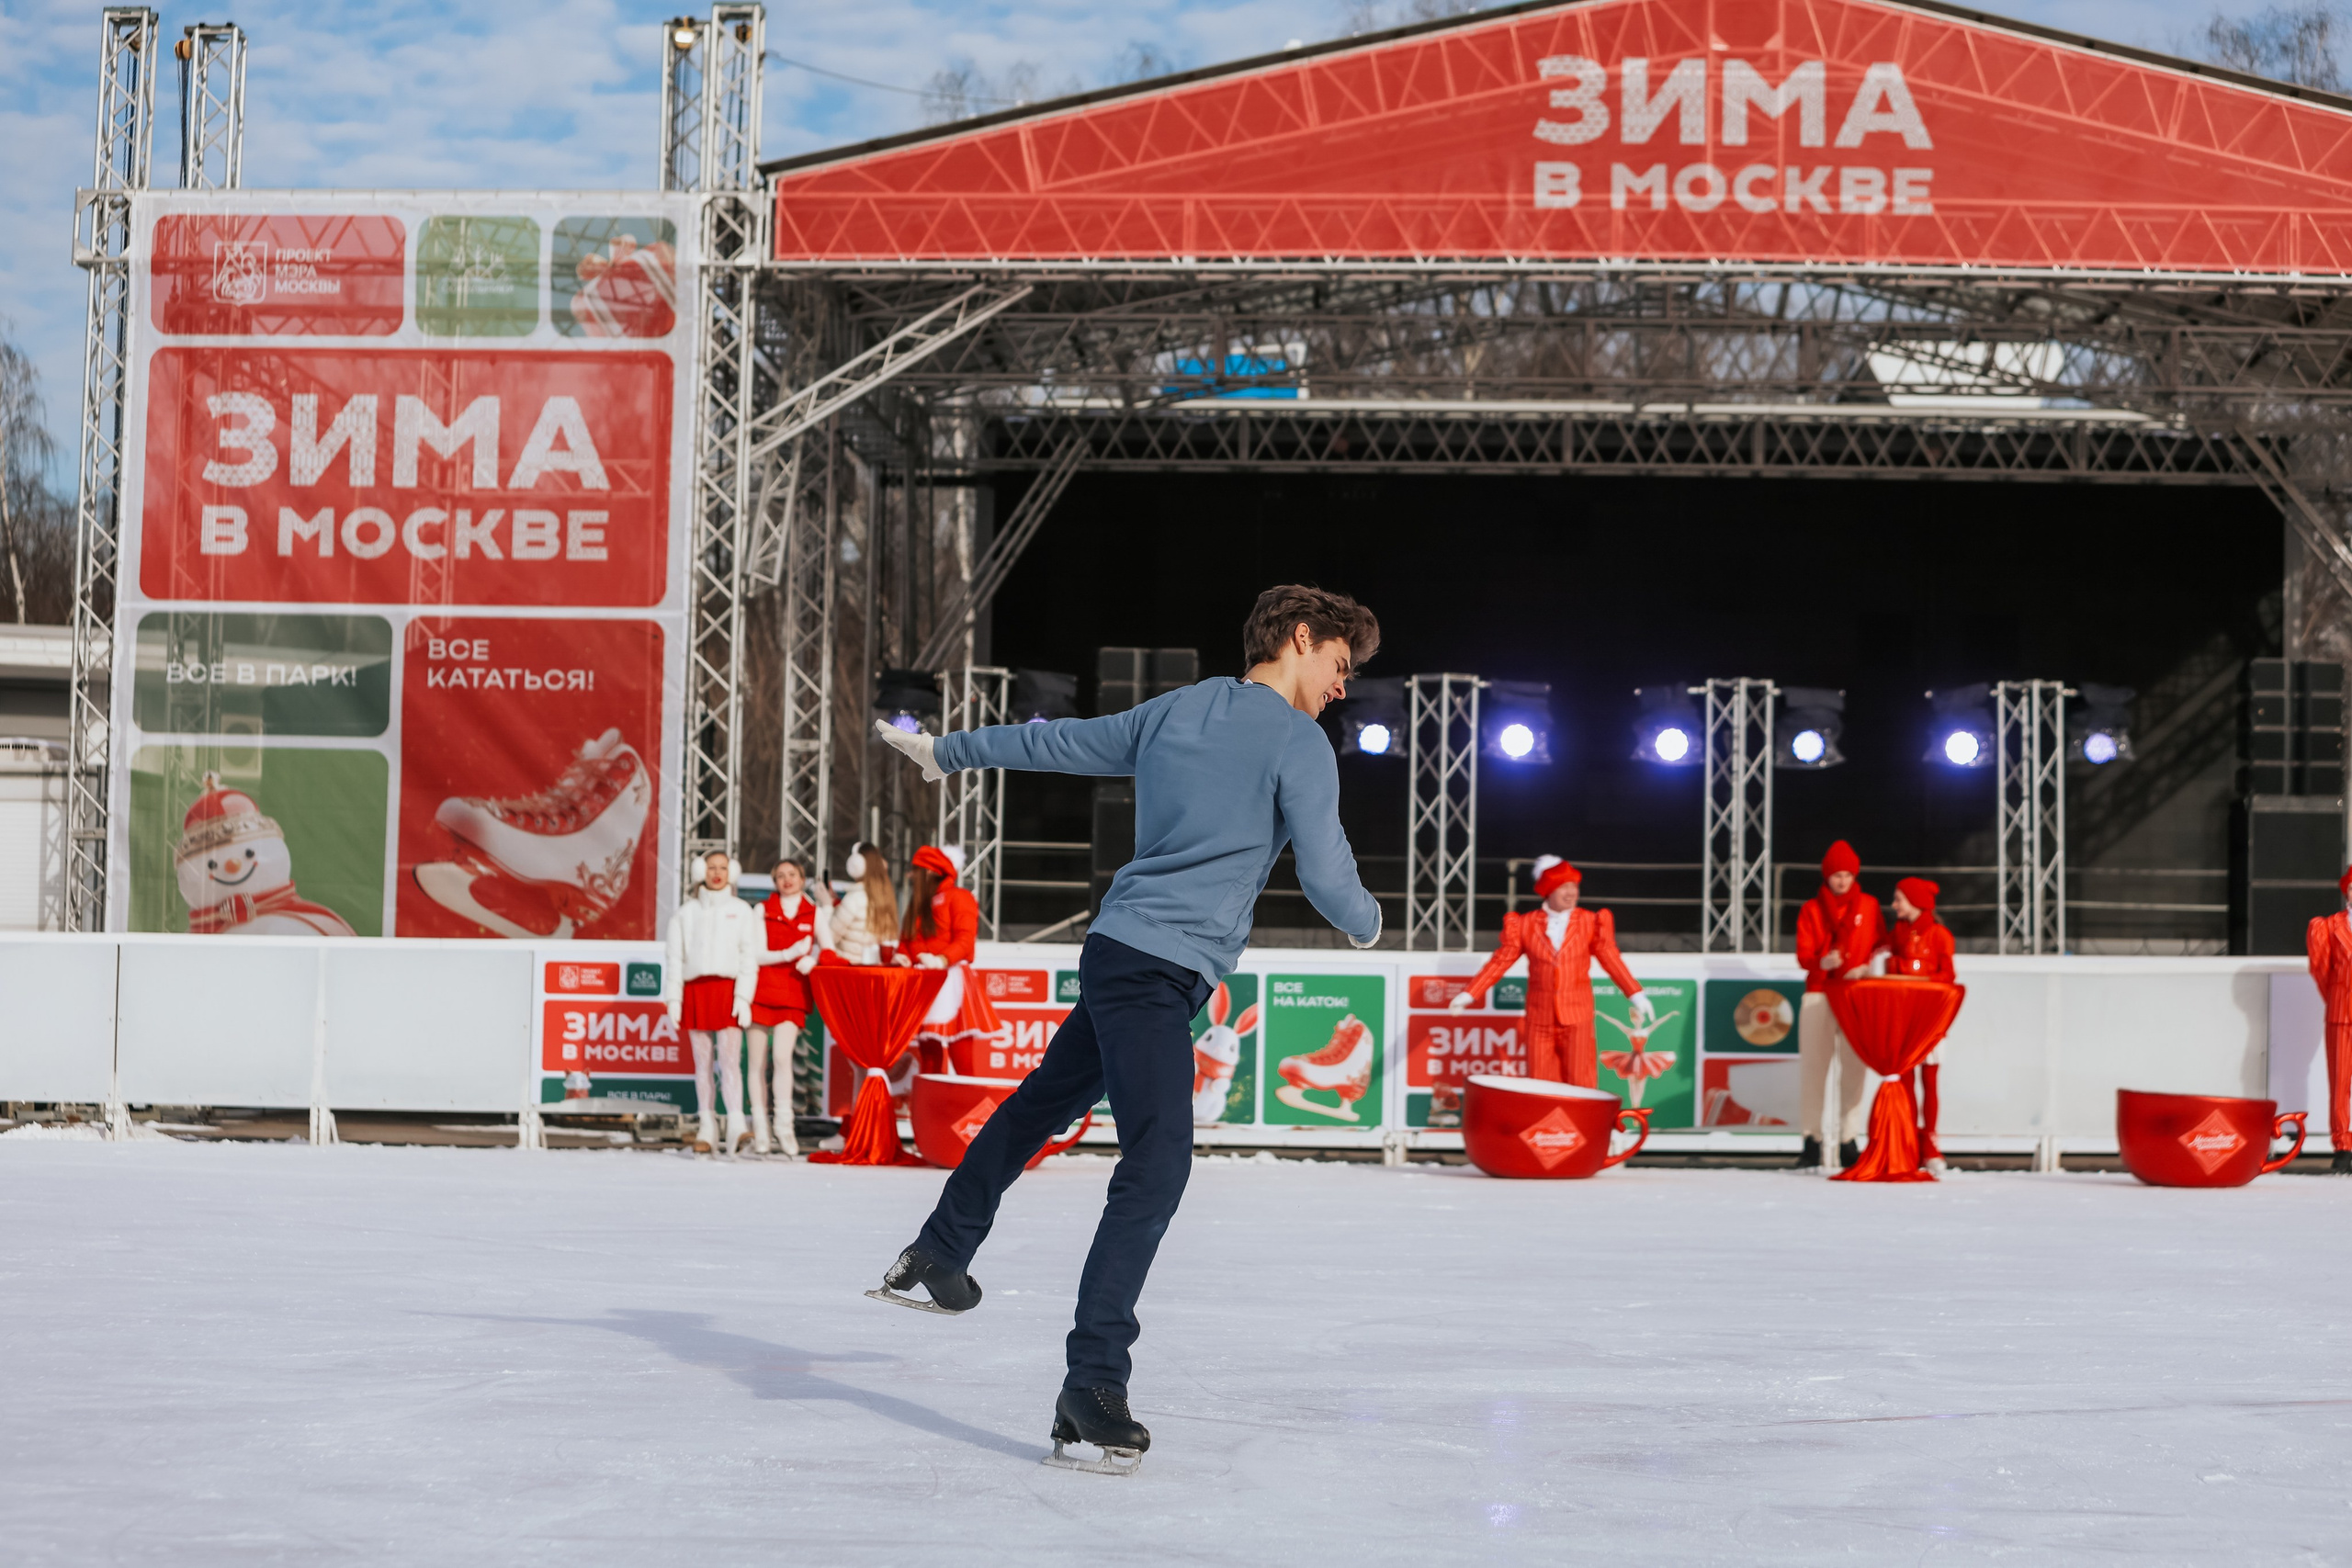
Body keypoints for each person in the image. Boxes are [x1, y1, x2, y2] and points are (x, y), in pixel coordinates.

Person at [865, 583, 1384, 1475]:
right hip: (1155, 973)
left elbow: (1054, 743)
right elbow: (1330, 875)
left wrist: (945, 753)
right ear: (1301, 639)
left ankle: (939, 1251)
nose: (1343, 687)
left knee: (1040, 1104)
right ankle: (1092, 1381)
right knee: (1157, 1164)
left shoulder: (1175, 710)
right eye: (1341, 666)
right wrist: (1371, 922)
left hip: (1115, 953)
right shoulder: (1298, 741)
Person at [1446, 856, 1655, 1085]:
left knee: (1581, 1081)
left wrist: (1636, 994)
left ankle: (1581, 1122)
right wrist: (1470, 993)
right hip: (1539, 1019)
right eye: (1563, 887)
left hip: (1577, 1017)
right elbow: (1500, 961)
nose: (1571, 893)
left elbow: (1611, 959)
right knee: (1542, 1083)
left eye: (1574, 886)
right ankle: (1546, 1122)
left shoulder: (1590, 922)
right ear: (1548, 891)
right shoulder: (1525, 924)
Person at [1793, 840, 1883, 1170]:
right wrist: (1822, 962)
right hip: (1819, 991)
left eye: (1847, 874)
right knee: (1814, 1070)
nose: (1842, 881)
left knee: (1854, 1069)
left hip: (1854, 994)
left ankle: (1848, 1138)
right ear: (1827, 876)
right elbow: (1803, 956)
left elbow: (1880, 944)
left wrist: (1867, 967)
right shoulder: (1811, 910)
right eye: (1836, 874)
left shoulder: (1869, 906)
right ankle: (1811, 1139)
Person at [664, 851, 760, 1155]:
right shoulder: (685, 912)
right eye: (710, 868)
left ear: (731, 871)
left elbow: (749, 956)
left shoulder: (742, 910)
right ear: (699, 871)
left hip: (727, 990)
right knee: (702, 1062)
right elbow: (674, 958)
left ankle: (736, 1124)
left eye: (722, 868)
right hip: (696, 990)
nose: (716, 873)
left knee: (731, 1061)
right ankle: (706, 1124)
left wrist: (744, 996)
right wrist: (674, 998)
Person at [894, 843, 1008, 1075]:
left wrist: (941, 960)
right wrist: (902, 957)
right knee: (929, 1053)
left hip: (951, 979)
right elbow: (906, 942)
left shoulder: (959, 897)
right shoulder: (916, 904)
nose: (911, 876)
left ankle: (969, 1108)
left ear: (930, 871)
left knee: (961, 1053)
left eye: (916, 869)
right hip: (922, 981)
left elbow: (966, 940)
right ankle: (933, 1107)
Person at [748, 857, 831, 1156]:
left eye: (792, 874)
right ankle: (760, 1128)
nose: (787, 880)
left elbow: (829, 946)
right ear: (774, 881)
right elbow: (756, 954)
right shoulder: (762, 910)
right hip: (760, 991)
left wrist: (816, 957)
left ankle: (785, 1126)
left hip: (793, 994)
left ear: (802, 877)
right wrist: (790, 952)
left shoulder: (814, 912)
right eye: (780, 875)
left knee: (782, 1058)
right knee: (757, 1062)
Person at [1880, 875, 1956, 1171]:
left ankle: (1931, 1143)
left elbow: (1948, 975)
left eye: (1899, 899)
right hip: (1905, 1017)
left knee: (1930, 1081)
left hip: (1931, 1018)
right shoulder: (1897, 933)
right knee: (1907, 1081)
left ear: (1915, 901)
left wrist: (1920, 976)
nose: (1894, 905)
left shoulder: (1938, 934)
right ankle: (1909, 1140)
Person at [2304, 868, 2352, 1176]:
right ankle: (2343, 1145)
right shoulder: (2327, 927)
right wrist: (2337, 996)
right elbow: (2321, 970)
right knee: (2340, 1082)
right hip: (2341, 1014)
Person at [830, 841, 898, 966]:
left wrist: (827, 906)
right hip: (873, 968)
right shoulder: (886, 896)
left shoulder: (854, 898)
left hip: (849, 968)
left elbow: (830, 938)